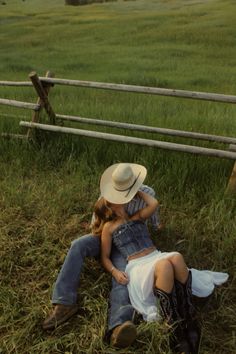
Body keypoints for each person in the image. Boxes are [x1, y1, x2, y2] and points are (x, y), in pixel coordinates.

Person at [93, 163, 229, 354]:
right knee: (165, 265)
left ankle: (188, 318)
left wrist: (136, 189)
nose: (123, 202)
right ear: (110, 204)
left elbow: (154, 203)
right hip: (138, 265)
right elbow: (105, 257)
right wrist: (115, 271)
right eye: (118, 200)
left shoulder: (136, 217)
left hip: (154, 255)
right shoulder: (109, 228)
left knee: (176, 257)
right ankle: (174, 328)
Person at [42, 163, 161, 349]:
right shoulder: (107, 194)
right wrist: (105, 238)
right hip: (105, 236)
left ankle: (119, 325)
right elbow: (94, 226)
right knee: (78, 245)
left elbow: (154, 222)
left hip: (128, 246)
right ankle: (64, 303)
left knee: (122, 276)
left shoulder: (147, 194)